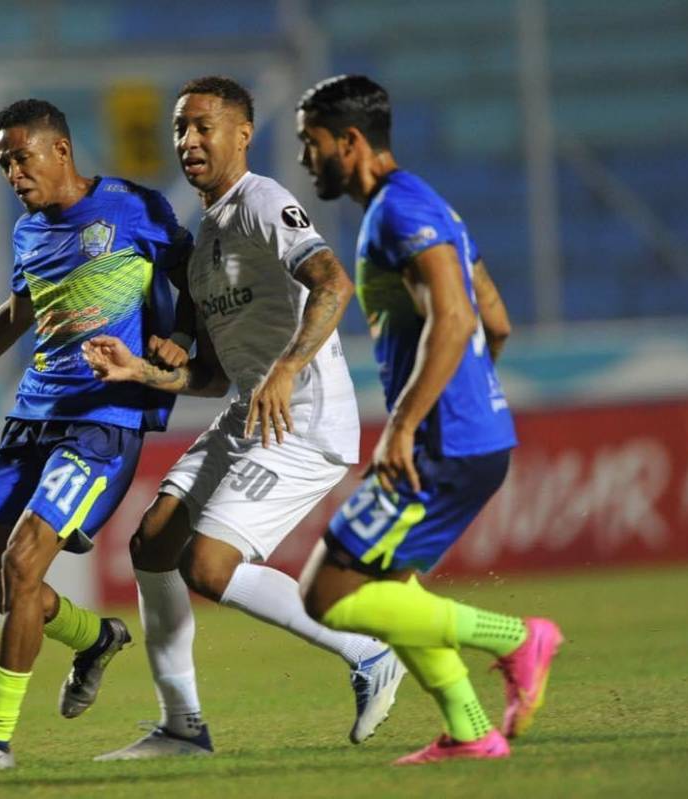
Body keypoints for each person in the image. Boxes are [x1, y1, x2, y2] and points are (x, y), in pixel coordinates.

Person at [81, 76, 405, 761]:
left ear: (241, 135)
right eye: (179, 129)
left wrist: (288, 368)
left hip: (304, 418)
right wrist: (140, 369)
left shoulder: (263, 201)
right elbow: (216, 373)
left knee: (209, 561)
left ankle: (370, 652)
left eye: (203, 127)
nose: (188, 141)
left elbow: (333, 283)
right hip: (248, 410)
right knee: (153, 545)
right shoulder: (204, 244)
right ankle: (182, 726)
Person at [0, 98, 192, 772]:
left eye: (21, 158)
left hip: (101, 419)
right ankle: (96, 637)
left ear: (61, 150)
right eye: (3, 163)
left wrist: (184, 343)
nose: (13, 173)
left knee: (24, 566)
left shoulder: (132, 208)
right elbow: (20, 310)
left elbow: (192, 272)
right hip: (32, 414)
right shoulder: (29, 232)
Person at [293, 74, 563, 765]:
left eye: (311, 143)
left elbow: (459, 314)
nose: (304, 158)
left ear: (349, 142)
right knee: (388, 590)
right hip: (470, 434)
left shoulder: (395, 212)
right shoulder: (426, 204)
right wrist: (469, 395)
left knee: (325, 591)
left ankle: (514, 636)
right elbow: (495, 316)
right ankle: (471, 729)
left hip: (439, 443)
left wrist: (407, 422)